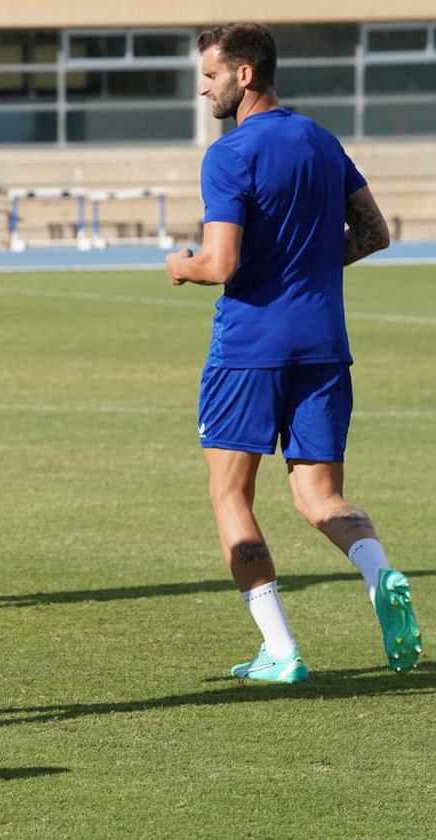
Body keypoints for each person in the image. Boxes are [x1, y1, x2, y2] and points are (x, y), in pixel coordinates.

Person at [166, 22, 420, 683]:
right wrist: (308, 265)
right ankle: (379, 570)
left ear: (244, 75)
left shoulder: (230, 154)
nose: (203, 87)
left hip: (250, 348)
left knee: (230, 496)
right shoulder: (321, 140)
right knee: (321, 497)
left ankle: (281, 650)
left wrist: (181, 264)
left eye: (211, 74)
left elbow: (222, 264)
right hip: (324, 345)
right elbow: (375, 233)